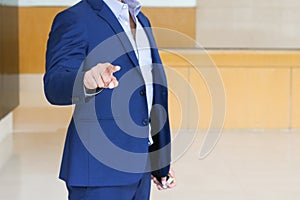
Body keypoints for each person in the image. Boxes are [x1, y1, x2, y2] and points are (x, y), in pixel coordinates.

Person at [44, 0, 175, 199]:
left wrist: (159, 160)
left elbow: (148, 92)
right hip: (99, 173)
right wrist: (85, 80)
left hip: (140, 167)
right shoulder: (75, 18)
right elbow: (54, 84)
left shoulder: (141, 20)